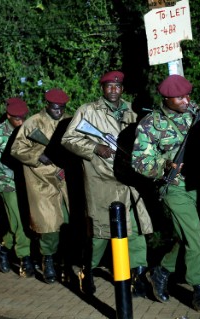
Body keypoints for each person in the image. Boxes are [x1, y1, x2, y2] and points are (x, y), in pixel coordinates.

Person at [61, 70, 153, 297]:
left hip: (129, 180)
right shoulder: (88, 111)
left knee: (135, 228)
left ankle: (137, 275)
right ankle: (88, 272)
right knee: (101, 232)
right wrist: (94, 148)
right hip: (101, 180)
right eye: (109, 86)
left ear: (122, 89)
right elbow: (68, 139)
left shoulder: (132, 111)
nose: (114, 90)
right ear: (102, 88)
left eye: (118, 86)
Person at [131, 74, 200, 313]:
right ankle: (199, 290)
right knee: (194, 237)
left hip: (197, 185)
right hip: (174, 188)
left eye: (188, 95)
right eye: (179, 97)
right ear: (166, 99)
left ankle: (161, 271)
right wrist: (164, 165)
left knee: (189, 236)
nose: (185, 100)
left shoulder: (196, 112)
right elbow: (139, 162)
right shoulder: (151, 124)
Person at [10, 88, 71, 284]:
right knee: (49, 226)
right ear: (47, 105)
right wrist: (38, 156)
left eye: (62, 108)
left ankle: (65, 263)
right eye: (55, 108)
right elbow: (17, 149)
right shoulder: (32, 123)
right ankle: (48, 261)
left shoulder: (69, 121)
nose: (59, 112)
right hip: (42, 181)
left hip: (67, 181)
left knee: (69, 224)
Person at [0, 97, 34, 277]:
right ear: (8, 115)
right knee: (19, 221)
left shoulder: (27, 129)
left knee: (23, 221)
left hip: (27, 182)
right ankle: (24, 258)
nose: (21, 121)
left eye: (23, 117)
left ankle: (3, 247)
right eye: (17, 118)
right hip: (8, 183)